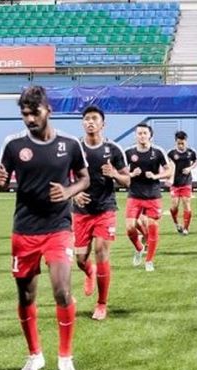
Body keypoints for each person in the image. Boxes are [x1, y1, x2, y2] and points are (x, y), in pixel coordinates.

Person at [0, 86, 90, 370]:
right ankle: (35, 354)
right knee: (26, 295)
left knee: (61, 290)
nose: (29, 119)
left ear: (49, 110)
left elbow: (85, 179)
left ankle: (65, 358)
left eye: (35, 113)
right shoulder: (12, 145)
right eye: (24, 114)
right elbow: (2, 182)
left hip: (58, 227)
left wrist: (68, 191)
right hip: (24, 230)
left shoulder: (71, 144)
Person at [72, 105, 129, 321]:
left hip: (105, 208)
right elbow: (63, 178)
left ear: (102, 124)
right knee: (80, 259)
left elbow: (127, 180)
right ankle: (89, 272)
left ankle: (102, 304)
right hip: (81, 211)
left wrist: (114, 174)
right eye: (86, 118)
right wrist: (73, 195)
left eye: (94, 118)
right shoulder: (74, 148)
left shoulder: (113, 149)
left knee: (101, 250)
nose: (90, 122)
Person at [124, 124, 173, 272]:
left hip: (153, 195)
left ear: (150, 135)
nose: (142, 136)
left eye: (145, 133)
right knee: (129, 228)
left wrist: (156, 176)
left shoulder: (158, 152)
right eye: (139, 133)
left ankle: (149, 261)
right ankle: (139, 248)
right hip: (134, 194)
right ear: (135, 136)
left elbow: (169, 171)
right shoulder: (128, 152)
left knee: (153, 229)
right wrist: (132, 174)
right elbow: (120, 172)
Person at [167, 131, 197, 236]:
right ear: (175, 142)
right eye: (179, 143)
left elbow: (195, 162)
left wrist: (190, 168)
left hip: (186, 182)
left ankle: (186, 228)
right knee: (174, 206)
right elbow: (167, 166)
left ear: (186, 141)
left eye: (183, 143)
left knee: (186, 204)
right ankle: (176, 223)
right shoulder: (171, 153)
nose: (181, 145)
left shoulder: (191, 152)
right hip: (175, 184)